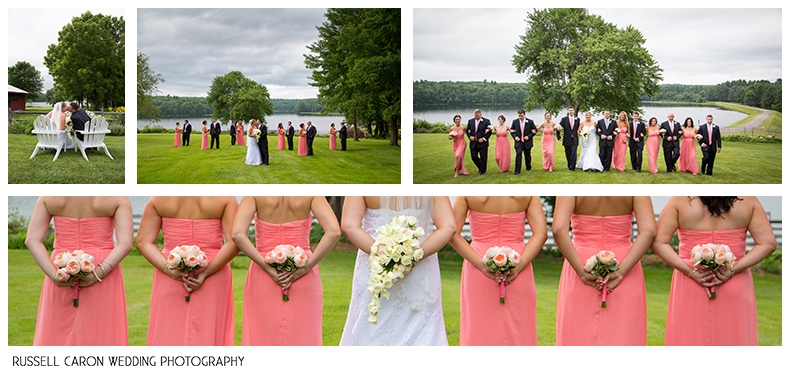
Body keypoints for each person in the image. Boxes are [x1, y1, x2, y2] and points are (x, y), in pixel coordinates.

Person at [652, 197, 776, 345]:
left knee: (688, 338)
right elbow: (767, 243)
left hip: (692, 281)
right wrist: (733, 269)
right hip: (733, 280)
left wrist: (690, 271)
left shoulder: (680, 200)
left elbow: (658, 242)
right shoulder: (748, 201)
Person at [339, 197, 455, 346]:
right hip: (420, 267)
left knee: (371, 325)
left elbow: (349, 226)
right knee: (421, 329)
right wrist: (414, 255)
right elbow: (448, 227)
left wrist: (383, 254)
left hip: (375, 266)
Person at [232, 196, 340, 345]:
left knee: (262, 333)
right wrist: (307, 267)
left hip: (264, 268)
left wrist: (265, 266)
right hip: (301, 267)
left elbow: (237, 234)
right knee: (303, 332)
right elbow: (333, 231)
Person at [26, 197, 133, 345]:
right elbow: (126, 243)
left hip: (62, 265)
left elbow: (31, 240)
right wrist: (97, 274)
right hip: (102, 266)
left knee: (57, 332)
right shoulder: (116, 197)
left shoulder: (49, 196)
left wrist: (55, 274)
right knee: (103, 333)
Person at [553, 196, 655, 345]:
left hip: (581, 262)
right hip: (623, 261)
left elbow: (558, 229)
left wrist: (581, 272)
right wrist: (620, 272)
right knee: (624, 335)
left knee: (577, 336)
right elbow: (649, 231)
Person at [137, 196, 239, 346]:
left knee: (169, 332)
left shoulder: (158, 199)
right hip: (214, 271)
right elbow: (234, 242)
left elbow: (143, 242)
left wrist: (168, 268)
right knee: (209, 331)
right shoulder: (225, 198)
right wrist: (205, 272)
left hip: (172, 272)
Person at [449, 196, 547, 346]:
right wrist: (518, 266)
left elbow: (452, 233)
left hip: (478, 262)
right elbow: (541, 234)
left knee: (479, 327)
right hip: (518, 261)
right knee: (519, 329)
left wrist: (482, 265)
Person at [510, 109, 537, 174]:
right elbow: (512, 131)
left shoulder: (530, 121)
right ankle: (517, 170)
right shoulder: (515, 121)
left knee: (527, 155)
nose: (520, 117)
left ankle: (528, 166)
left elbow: (534, 130)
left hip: (527, 142)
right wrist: (515, 137)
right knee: (518, 154)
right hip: (519, 142)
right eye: (519, 116)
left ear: (524, 114)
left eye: (521, 115)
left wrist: (529, 136)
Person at [466, 109, 492, 175]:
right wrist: (470, 137)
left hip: (482, 143)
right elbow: (467, 131)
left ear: (480, 114)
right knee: (474, 157)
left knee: (483, 157)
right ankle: (481, 167)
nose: (476, 116)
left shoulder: (486, 121)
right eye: (475, 115)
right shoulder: (470, 121)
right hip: (473, 143)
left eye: (477, 115)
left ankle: (482, 171)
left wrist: (484, 138)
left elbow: (490, 131)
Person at [558, 106, 579, 171]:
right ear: (568, 111)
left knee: (573, 153)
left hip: (574, 139)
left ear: (574, 111)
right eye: (569, 110)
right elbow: (559, 127)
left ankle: (572, 167)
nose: (571, 111)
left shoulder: (577, 119)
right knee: (568, 153)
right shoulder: (564, 119)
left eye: (572, 110)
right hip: (567, 139)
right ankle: (569, 164)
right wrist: (558, 136)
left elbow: (579, 128)